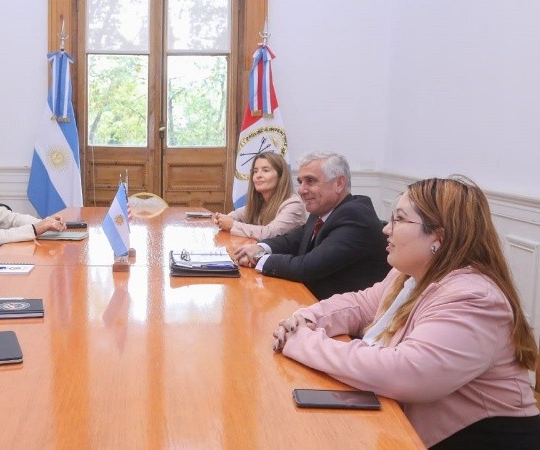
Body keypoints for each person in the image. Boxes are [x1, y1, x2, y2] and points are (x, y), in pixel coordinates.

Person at [271, 176, 540, 449]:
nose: (386, 229)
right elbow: (360, 304)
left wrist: (303, 342)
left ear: (439, 236)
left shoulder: (473, 297)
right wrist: (306, 319)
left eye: (399, 220)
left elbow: (405, 372)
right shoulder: (409, 273)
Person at [233, 152, 390, 299]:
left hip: (348, 317)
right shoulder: (322, 210)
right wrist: (261, 248)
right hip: (315, 301)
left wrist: (259, 258)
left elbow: (307, 268)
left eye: (311, 181)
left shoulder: (355, 216)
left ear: (339, 183)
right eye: (300, 182)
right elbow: (291, 240)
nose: (301, 190)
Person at [213, 151, 305, 239]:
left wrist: (232, 225)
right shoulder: (261, 201)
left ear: (281, 176)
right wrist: (222, 219)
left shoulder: (293, 204)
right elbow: (237, 215)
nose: (258, 175)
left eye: (265, 170)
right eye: (255, 171)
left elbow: (269, 234)